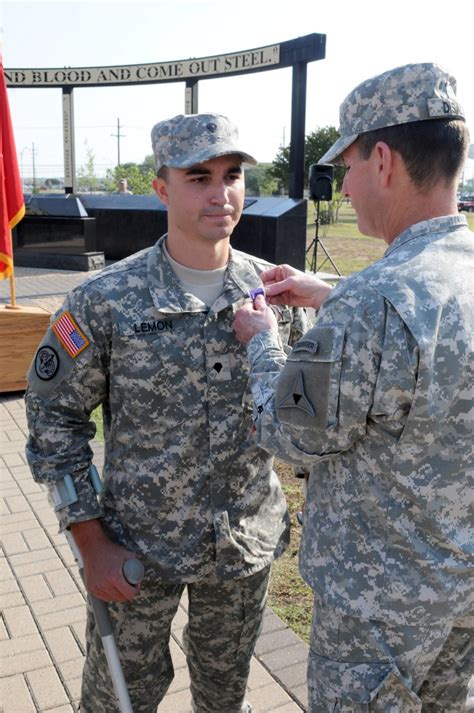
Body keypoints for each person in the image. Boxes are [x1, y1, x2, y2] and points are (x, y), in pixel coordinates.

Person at [24, 113, 308, 713]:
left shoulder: (276, 295)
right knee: (116, 701)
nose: (220, 192)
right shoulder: (104, 300)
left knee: (224, 698)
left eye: (232, 175)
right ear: (160, 188)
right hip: (135, 554)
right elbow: (55, 422)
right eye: (198, 176)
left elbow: (304, 419)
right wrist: (89, 540)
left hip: (242, 547)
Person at [233, 63, 473, 712]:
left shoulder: (371, 304)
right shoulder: (456, 275)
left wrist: (262, 341)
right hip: (459, 595)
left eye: (349, 166)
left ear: (386, 161)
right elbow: (431, 340)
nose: (346, 184)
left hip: (377, 615)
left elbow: (289, 434)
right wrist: (330, 293)